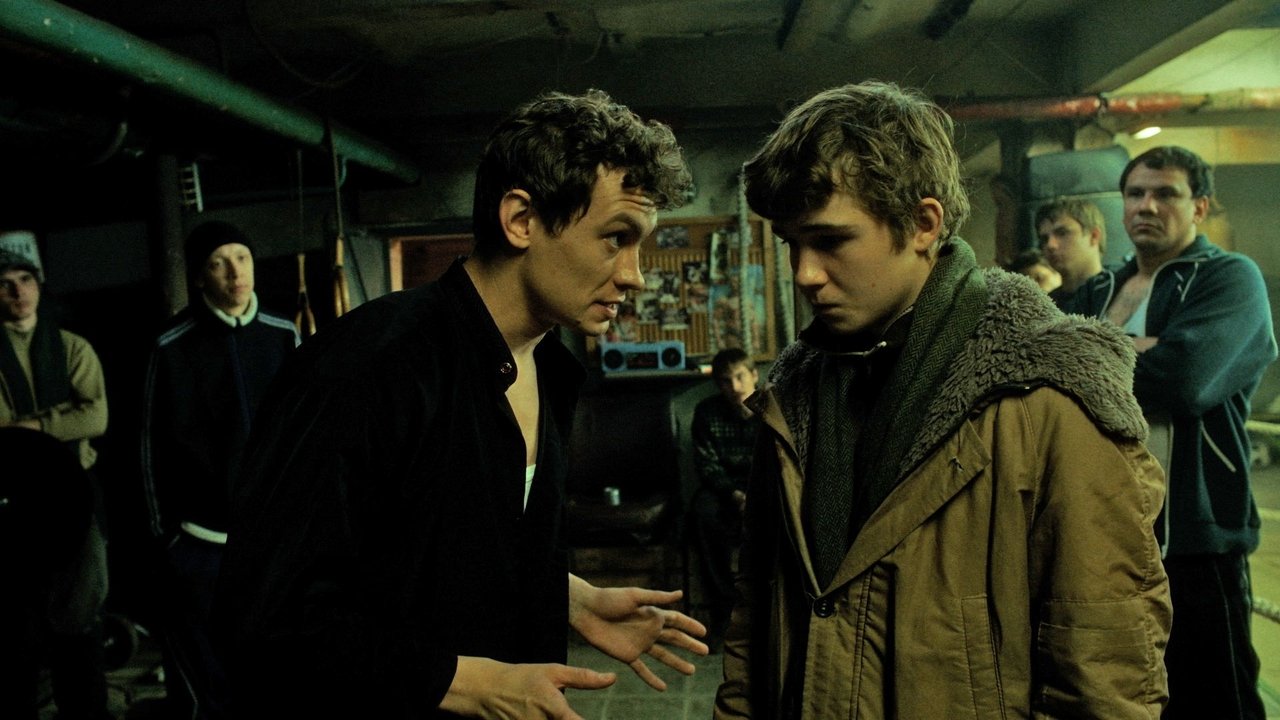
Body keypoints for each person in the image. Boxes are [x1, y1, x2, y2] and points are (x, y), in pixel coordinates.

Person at [213, 89, 707, 720]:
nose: (636, 274)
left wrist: (564, 598)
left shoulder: (553, 370)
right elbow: (265, 616)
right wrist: (463, 682)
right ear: (521, 219)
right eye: (616, 237)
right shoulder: (366, 367)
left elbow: (434, 556)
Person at [715, 81, 1171, 718]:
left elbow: (1104, 671)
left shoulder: (1048, 399)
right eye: (792, 243)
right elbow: (755, 622)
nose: (804, 274)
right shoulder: (792, 397)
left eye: (831, 241)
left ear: (923, 224)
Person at [1063, 145, 1276, 719]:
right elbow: (1047, 362)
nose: (1147, 206)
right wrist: (1140, 347)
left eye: (1166, 194)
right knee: (1123, 697)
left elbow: (1186, 378)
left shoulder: (1229, 278)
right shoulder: (1101, 288)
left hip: (1193, 534)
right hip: (1104, 531)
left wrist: (1094, 351)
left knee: (1215, 699)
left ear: (1199, 206)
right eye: (1135, 194)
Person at [140, 220, 299, 719]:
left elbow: (307, 432)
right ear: (199, 277)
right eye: (218, 263)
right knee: (209, 683)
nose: (235, 273)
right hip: (201, 542)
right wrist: (166, 537)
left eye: (242, 258)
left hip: (273, 541)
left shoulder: (283, 333)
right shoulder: (170, 346)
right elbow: (147, 447)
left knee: (275, 672)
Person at [0, 230, 112, 720]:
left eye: (25, 279)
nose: (17, 292)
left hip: (73, 499)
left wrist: (34, 426)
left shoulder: (71, 348)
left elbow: (97, 416)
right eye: (4, 283)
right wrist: (62, 421)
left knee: (80, 615)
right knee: (16, 627)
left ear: (40, 284)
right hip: (11, 504)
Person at [689, 347, 761, 649]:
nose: (735, 386)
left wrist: (754, 496)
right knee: (703, 513)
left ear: (754, 375)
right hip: (725, 490)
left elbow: (782, 461)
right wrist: (736, 496)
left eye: (740, 377)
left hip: (763, 488)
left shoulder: (772, 409)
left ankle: (763, 614)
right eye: (725, 381)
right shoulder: (707, 412)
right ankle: (723, 613)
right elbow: (707, 465)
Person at [1035, 197, 1106, 306]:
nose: (1050, 245)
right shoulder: (1044, 306)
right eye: (1044, 239)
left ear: (1094, 236)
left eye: (1062, 233)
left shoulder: (1118, 292)